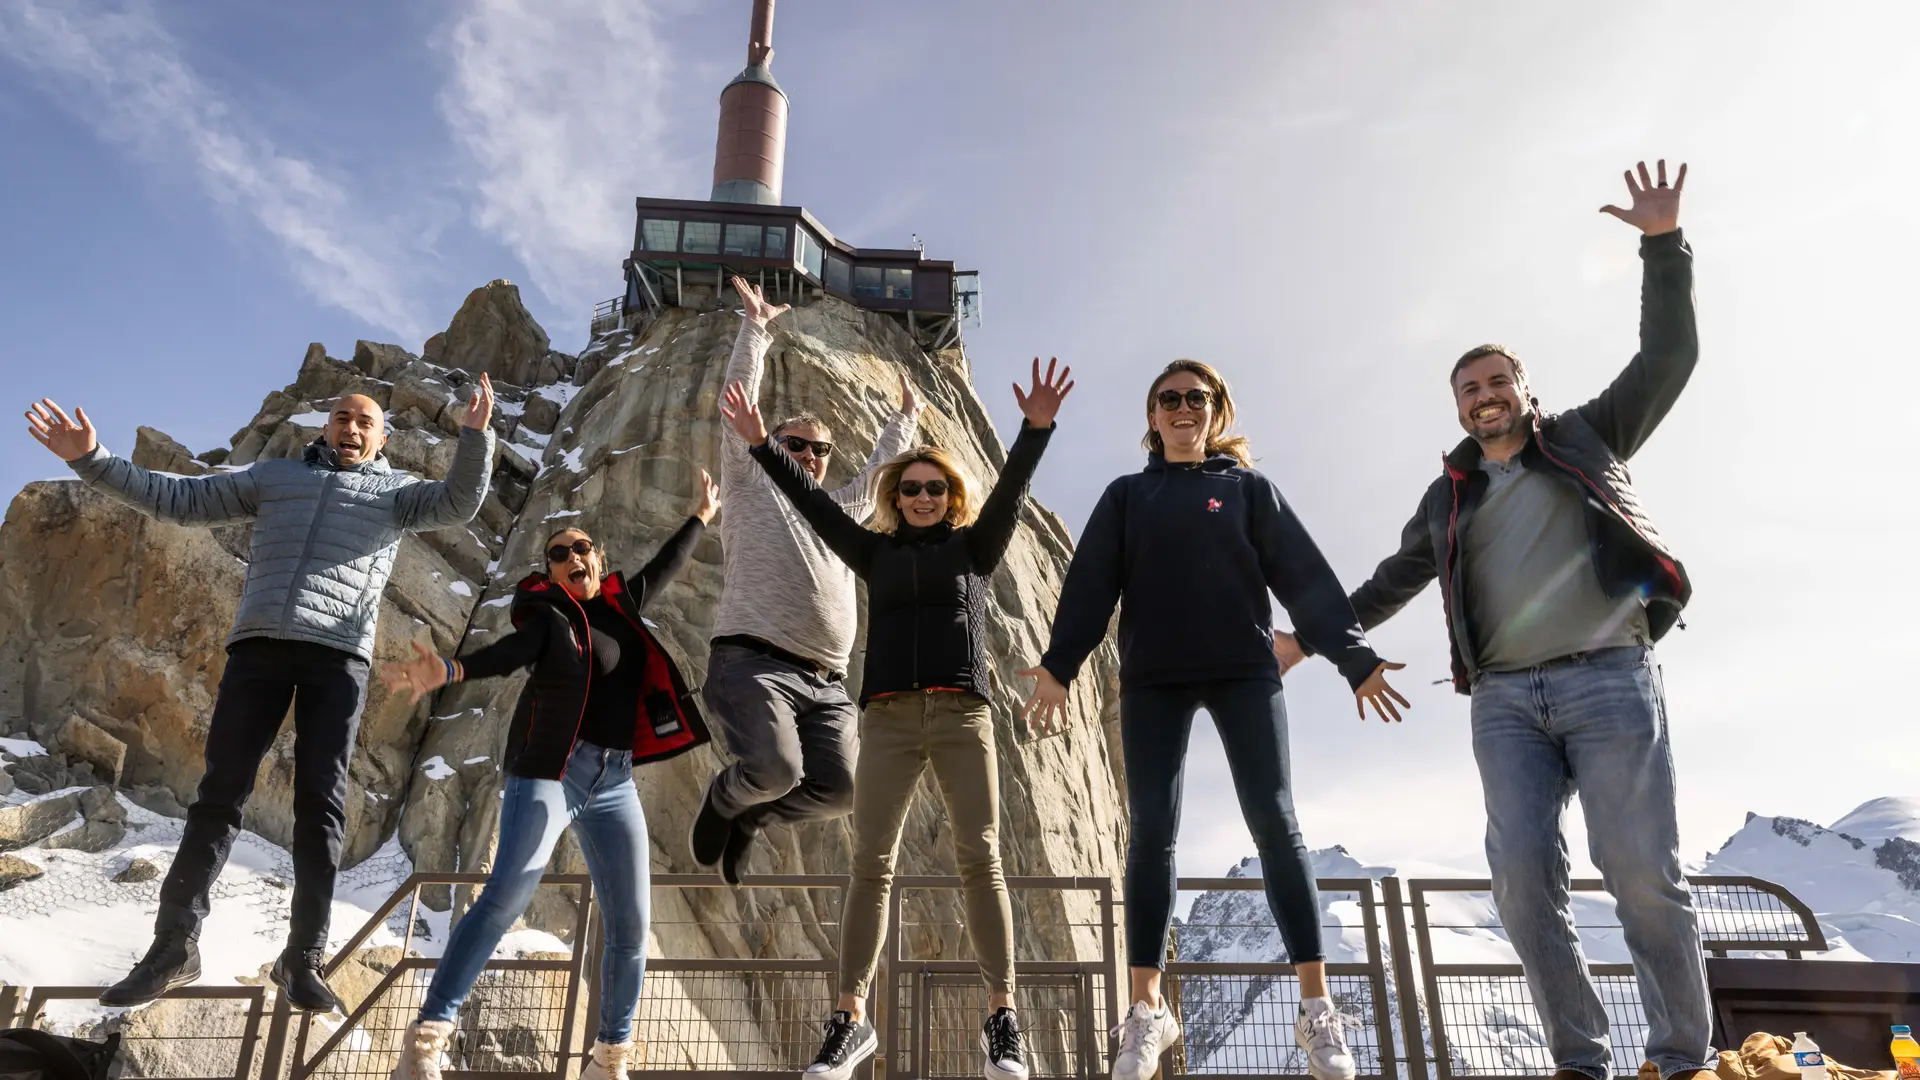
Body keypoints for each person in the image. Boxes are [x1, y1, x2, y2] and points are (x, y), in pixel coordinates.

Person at [1274, 160, 1710, 1080]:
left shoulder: (1587, 435)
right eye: (1469, 388)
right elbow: (1390, 581)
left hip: (1610, 682)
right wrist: (1303, 639)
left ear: (1523, 387)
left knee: (1641, 878)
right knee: (1520, 886)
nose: (1485, 395)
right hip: (1506, 703)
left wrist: (1662, 245)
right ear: (1459, 409)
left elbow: (1668, 359)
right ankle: (1580, 1061)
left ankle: (1679, 1059)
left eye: (1497, 380)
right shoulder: (1450, 496)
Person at [24, 381, 498, 1011]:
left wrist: (475, 436)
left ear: (383, 440)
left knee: (320, 806)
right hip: (258, 650)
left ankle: (303, 956)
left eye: (365, 422)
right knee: (219, 794)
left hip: (337, 659)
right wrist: (92, 460)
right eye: (341, 417)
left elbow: (460, 501)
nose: (351, 428)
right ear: (324, 428)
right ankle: (173, 946)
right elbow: (178, 500)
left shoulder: (396, 497)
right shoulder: (274, 477)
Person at [1020, 361, 1408, 1080]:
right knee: (1152, 835)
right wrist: (1059, 666)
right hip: (1153, 680)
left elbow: (1304, 577)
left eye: (1195, 398)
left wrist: (1356, 659)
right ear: (1153, 416)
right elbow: (1090, 589)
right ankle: (1146, 1012)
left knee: (1275, 820)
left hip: (1244, 673)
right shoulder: (1128, 496)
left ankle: (1315, 1009)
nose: (1182, 408)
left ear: (1217, 410)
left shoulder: (1248, 490)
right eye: (1168, 400)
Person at [720, 357, 1073, 1080]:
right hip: (883, 719)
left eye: (933, 488)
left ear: (951, 496)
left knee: (981, 858)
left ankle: (1002, 1020)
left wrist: (1035, 431)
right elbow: (815, 508)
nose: (920, 496)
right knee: (870, 865)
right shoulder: (873, 553)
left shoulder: (975, 548)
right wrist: (760, 448)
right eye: (909, 487)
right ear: (894, 493)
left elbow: (1010, 493)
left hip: (961, 716)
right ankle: (849, 1021)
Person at [377, 475, 719, 1080]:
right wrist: (451, 669)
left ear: (599, 560)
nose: (572, 558)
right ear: (551, 573)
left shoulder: (621, 606)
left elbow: (665, 564)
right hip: (552, 771)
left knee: (632, 925)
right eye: (558, 554)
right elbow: (509, 654)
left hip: (614, 782)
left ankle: (609, 1058)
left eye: (581, 548)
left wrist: (701, 515)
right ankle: (427, 1037)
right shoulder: (546, 619)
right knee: (508, 893)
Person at [690, 276, 923, 885]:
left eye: (820, 449)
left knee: (844, 790)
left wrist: (907, 419)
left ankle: (752, 821)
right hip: (754, 661)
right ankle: (726, 799)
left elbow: (879, 476)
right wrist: (756, 328)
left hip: (826, 684)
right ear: (777, 445)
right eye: (795, 444)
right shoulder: (749, 485)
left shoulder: (840, 508)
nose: (809, 456)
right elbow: (737, 404)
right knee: (774, 768)